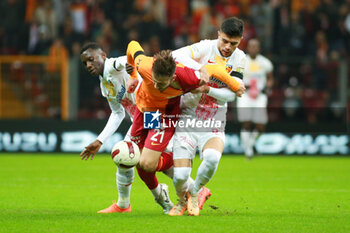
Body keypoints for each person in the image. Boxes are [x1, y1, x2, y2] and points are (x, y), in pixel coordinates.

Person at [125, 40, 245, 214]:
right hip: (143, 110)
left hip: (164, 115)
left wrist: (235, 85)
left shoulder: (188, 77)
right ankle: (158, 196)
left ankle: (169, 177)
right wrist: (133, 76)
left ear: (172, 78)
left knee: (146, 163)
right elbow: (132, 45)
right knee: (135, 161)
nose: (157, 86)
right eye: (155, 81)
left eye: (162, 83)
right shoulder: (145, 65)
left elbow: (213, 70)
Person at [79, 43, 174, 214]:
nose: (88, 65)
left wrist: (132, 72)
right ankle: (127, 204)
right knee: (129, 157)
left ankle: (187, 190)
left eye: (91, 59)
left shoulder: (112, 66)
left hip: (152, 112)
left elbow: (124, 61)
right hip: (141, 118)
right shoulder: (104, 85)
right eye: (85, 63)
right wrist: (100, 140)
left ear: (103, 55)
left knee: (146, 160)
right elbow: (117, 113)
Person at [168, 17, 247, 216]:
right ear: (219, 33)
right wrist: (201, 69)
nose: (228, 47)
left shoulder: (240, 58)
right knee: (180, 176)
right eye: (225, 41)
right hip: (187, 116)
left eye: (234, 43)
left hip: (214, 118)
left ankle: (195, 193)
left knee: (212, 157)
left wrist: (206, 90)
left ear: (240, 40)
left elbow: (233, 94)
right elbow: (174, 55)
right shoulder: (205, 47)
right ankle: (181, 200)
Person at [237, 38, 274, 159]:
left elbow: (270, 78)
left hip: (260, 95)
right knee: (246, 123)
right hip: (245, 94)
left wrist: (268, 85)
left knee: (261, 125)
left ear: (259, 48)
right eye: (251, 46)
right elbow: (235, 76)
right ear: (247, 48)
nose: (253, 48)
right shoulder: (241, 61)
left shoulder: (265, 63)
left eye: (255, 46)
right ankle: (248, 152)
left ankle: (250, 145)